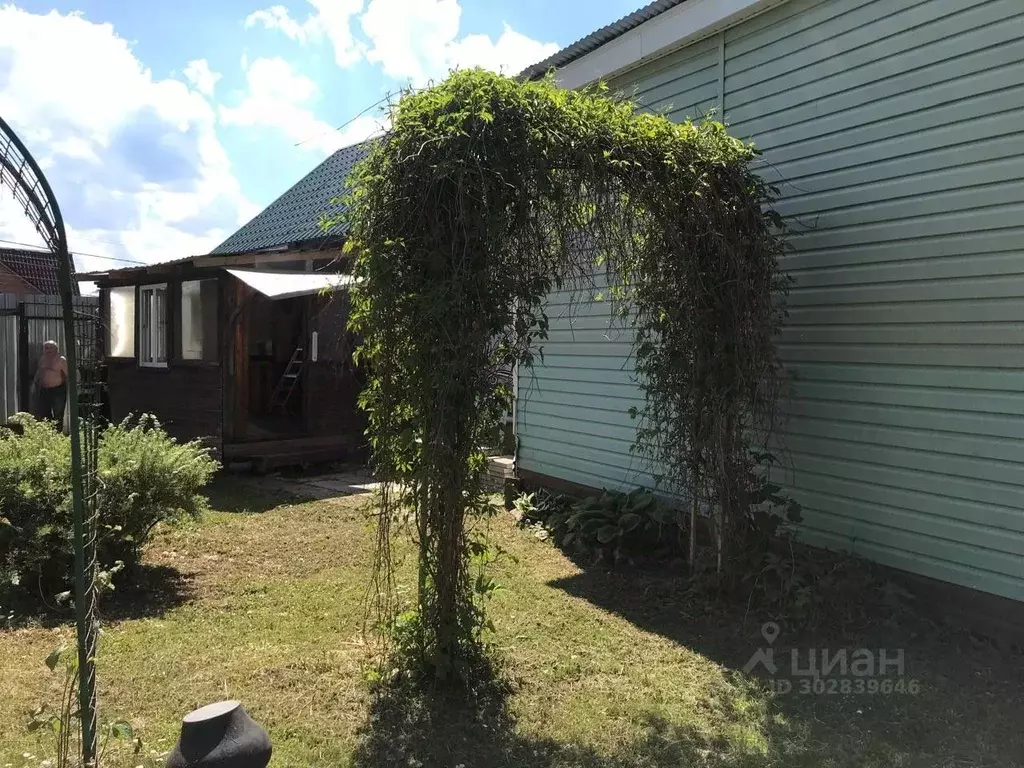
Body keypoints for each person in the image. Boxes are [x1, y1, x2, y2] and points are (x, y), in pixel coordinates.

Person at [34, 340, 68, 427]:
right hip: (44, 390)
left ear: (56, 349)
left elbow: (69, 375)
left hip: (58, 390)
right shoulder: (42, 359)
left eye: (51, 348)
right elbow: (39, 372)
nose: (48, 350)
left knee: (58, 413)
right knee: (45, 413)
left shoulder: (61, 360)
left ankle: (58, 434)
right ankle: (48, 434)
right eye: (46, 348)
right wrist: (34, 384)